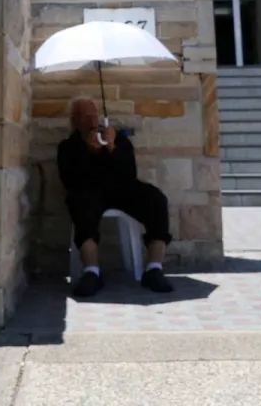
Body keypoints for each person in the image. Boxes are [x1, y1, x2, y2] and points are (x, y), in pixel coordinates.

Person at [57, 97, 175, 297]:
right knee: (78, 202)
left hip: (122, 190)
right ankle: (92, 272)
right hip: (90, 193)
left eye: (94, 115)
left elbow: (130, 173)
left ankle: (154, 268)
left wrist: (111, 148)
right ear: (75, 121)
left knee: (155, 199)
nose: (92, 121)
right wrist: (88, 151)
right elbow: (70, 181)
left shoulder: (117, 139)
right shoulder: (68, 146)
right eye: (86, 116)